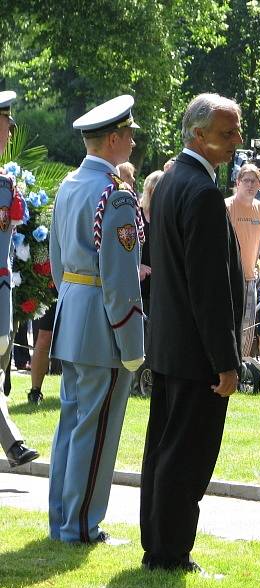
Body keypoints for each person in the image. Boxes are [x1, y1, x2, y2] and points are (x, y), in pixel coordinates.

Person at [141, 93, 244, 572]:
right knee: (187, 456)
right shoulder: (200, 191)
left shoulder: (170, 184)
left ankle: (157, 545)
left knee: (163, 449)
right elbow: (208, 287)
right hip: (197, 353)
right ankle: (172, 552)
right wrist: (226, 360)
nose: (236, 142)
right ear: (197, 136)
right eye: (227, 134)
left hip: (170, 344)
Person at [48, 95, 145, 544]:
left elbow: (55, 261)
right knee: (97, 428)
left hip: (73, 311)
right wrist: (132, 342)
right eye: (128, 134)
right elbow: (121, 278)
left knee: (72, 423)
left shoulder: (69, 184)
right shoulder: (115, 194)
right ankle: (82, 525)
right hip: (102, 324)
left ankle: (63, 521)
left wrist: (72, 299)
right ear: (113, 139)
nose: (132, 141)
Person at [0, 90, 39, 469]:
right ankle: (13, 444)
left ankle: (13, 445)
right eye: (5, 123)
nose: (10, 130)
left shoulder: (6, 185)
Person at [225, 163, 260, 359]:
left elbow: (259, 239)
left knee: (248, 326)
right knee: (229, 323)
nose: (250, 185)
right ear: (238, 182)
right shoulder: (227, 206)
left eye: (255, 181)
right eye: (247, 180)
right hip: (229, 276)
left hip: (251, 275)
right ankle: (228, 364)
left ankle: (241, 365)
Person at [138, 170, 163, 316]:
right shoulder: (137, 214)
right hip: (140, 283)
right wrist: (137, 265)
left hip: (161, 284)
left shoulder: (169, 215)